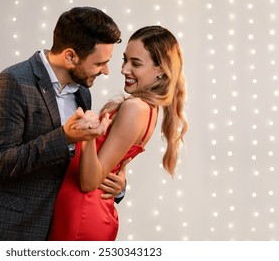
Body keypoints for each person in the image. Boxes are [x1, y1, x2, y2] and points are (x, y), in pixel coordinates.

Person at [0, 6, 127, 241]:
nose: (106, 71)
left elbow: (70, 168)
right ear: (70, 56)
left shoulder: (83, 93)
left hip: (50, 233)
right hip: (2, 232)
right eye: (99, 64)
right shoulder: (12, 82)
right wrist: (64, 137)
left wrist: (116, 186)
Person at [48, 26, 188, 241]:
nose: (124, 69)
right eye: (125, 60)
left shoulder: (136, 108)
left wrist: (86, 136)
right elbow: (112, 164)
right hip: (83, 209)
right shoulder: (148, 109)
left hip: (82, 212)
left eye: (136, 63)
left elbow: (89, 182)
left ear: (161, 69)